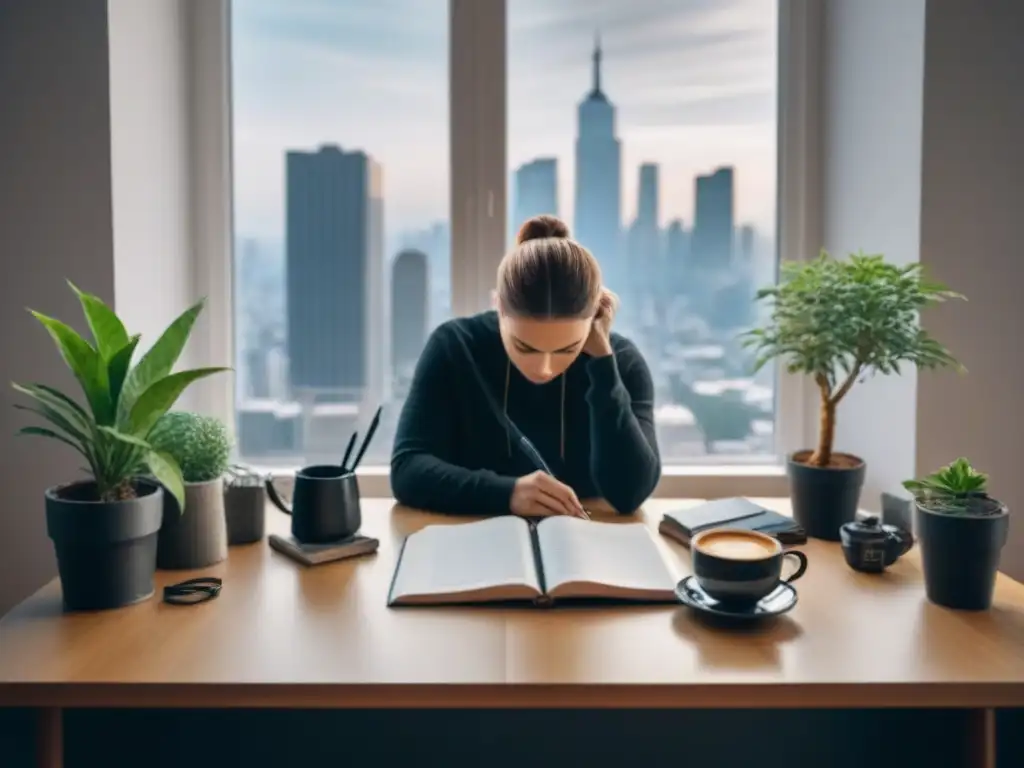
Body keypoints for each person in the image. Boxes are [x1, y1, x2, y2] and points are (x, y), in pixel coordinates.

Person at [391, 214, 661, 518]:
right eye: (525, 347)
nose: (545, 368)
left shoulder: (621, 362)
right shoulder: (455, 347)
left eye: (567, 349)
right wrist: (507, 494)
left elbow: (630, 493)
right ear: (500, 307)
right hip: (474, 543)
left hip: (586, 544)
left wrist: (602, 366)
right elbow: (408, 470)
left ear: (594, 320)